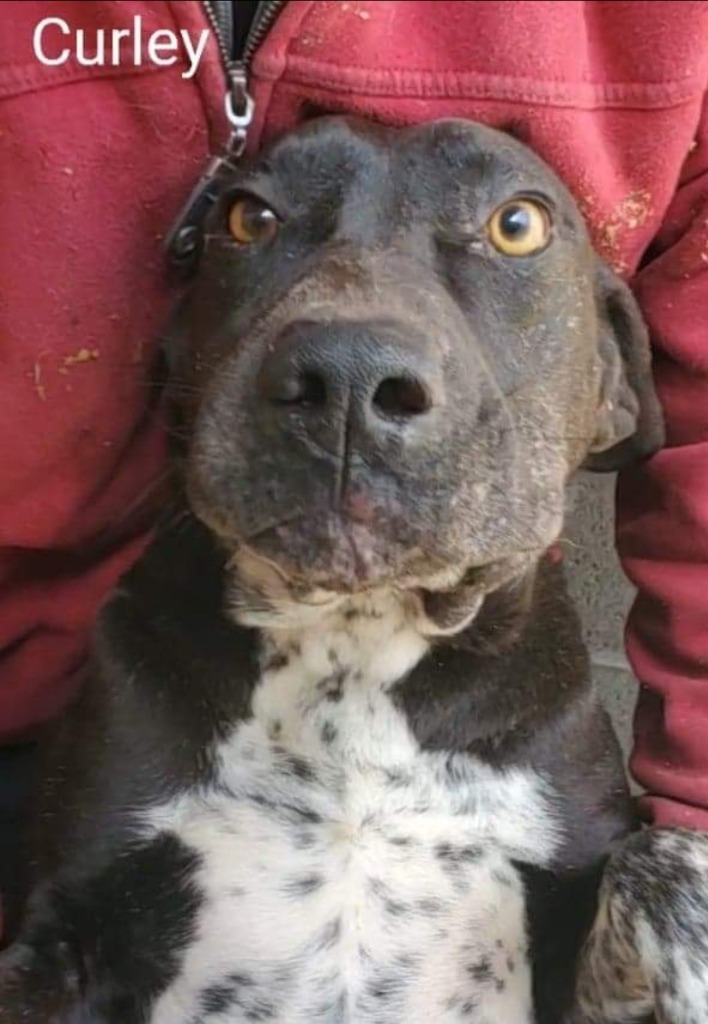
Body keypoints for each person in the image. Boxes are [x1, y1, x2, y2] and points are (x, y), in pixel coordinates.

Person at [1, 0, 707, 928]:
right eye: (253, 223)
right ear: (179, 355)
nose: (353, 358)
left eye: (514, 229)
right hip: (65, 708)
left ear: (615, 388)